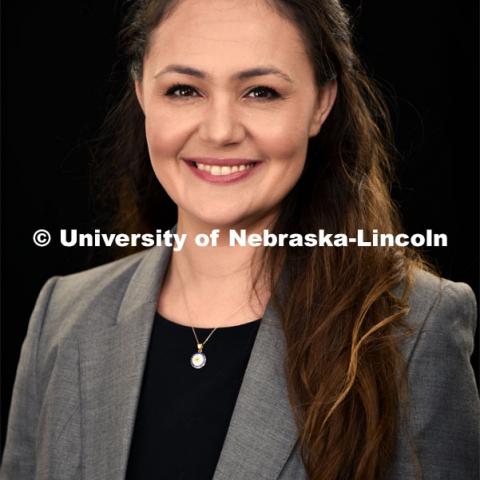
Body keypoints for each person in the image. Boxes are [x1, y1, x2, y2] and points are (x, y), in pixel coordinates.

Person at [1, 0, 478, 479]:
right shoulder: (62, 316)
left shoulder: (415, 327)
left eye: (261, 92)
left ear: (321, 104)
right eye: (184, 90)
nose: (221, 131)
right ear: (142, 93)